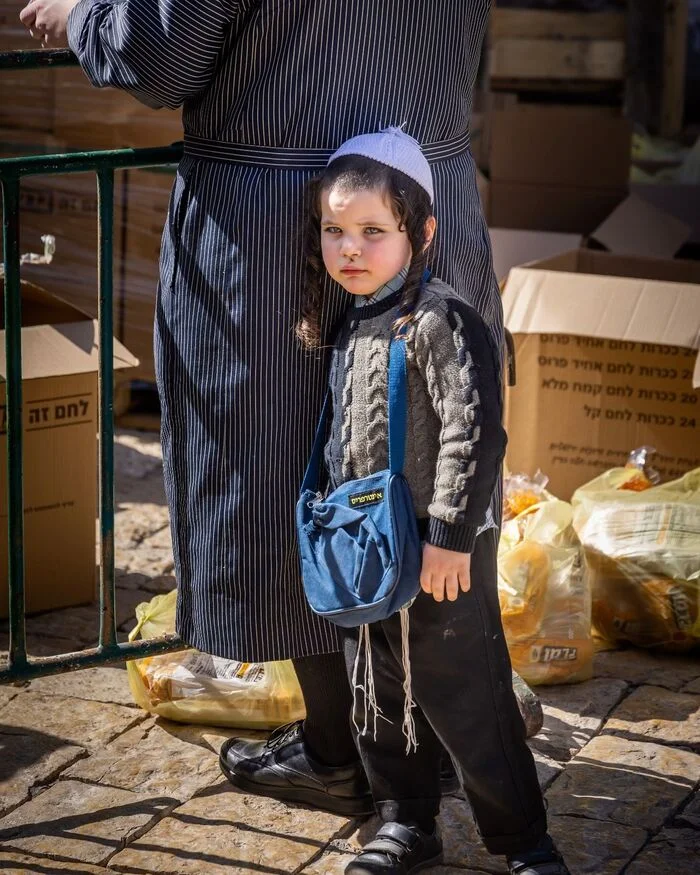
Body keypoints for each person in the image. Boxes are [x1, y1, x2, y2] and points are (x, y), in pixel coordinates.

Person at [20, 0, 541, 818]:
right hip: (422, 210)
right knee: (415, 462)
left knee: (280, 475)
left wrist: (88, 15)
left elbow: (163, 55)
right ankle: (430, 736)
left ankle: (343, 750)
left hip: (282, 233)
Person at [294, 128, 568, 875]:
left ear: (423, 231)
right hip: (369, 552)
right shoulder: (352, 318)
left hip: (439, 546)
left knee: (467, 699)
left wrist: (448, 534)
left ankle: (524, 841)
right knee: (379, 693)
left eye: (373, 231)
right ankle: (407, 821)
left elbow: (471, 432)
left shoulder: (443, 320)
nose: (350, 247)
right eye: (335, 230)